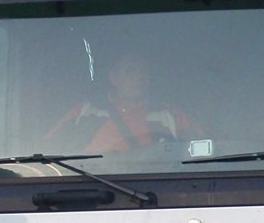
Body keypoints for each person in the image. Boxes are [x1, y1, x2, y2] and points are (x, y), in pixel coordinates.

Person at [48, 50, 193, 153]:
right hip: (91, 183)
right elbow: (48, 150)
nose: (139, 77)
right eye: (130, 71)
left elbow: (200, 153)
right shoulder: (84, 112)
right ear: (114, 78)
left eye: (144, 71)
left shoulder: (170, 115)